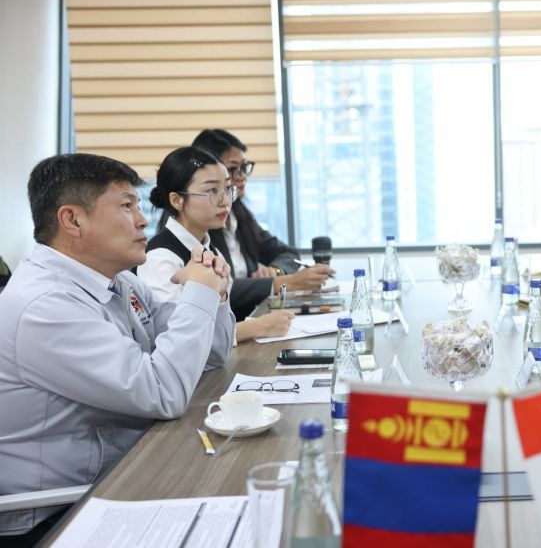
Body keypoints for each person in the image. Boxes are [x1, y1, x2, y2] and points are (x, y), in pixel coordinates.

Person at [0, 154, 235, 543]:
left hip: (125, 471)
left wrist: (215, 291)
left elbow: (210, 356)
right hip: (55, 512)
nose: (143, 220)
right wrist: (198, 291)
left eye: (138, 205)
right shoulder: (43, 306)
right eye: (127, 206)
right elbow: (162, 393)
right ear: (72, 220)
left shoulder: (119, 280)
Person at [137, 146, 295, 342]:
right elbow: (177, 337)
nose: (225, 201)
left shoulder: (212, 251)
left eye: (227, 188)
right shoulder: (160, 257)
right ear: (177, 200)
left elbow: (221, 324)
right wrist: (257, 326)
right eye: (212, 190)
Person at [192, 129, 334, 321]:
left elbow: (288, 253)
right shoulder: (198, 225)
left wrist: (275, 271)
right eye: (233, 169)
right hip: (229, 327)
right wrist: (280, 282)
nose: (242, 176)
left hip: (253, 320)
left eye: (245, 167)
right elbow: (219, 287)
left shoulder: (238, 215)